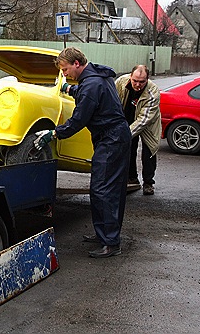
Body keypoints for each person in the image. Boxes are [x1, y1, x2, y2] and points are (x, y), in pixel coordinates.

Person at [33, 47, 131, 258]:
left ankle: (111, 243)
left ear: (76, 63)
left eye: (66, 69)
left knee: (103, 190)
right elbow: (86, 92)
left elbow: (79, 119)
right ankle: (104, 234)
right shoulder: (95, 77)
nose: (65, 74)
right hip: (113, 137)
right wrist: (68, 89)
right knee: (105, 188)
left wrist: (55, 133)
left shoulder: (92, 84)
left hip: (111, 139)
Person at [115, 65, 162, 196]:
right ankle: (132, 177)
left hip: (148, 123)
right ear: (130, 76)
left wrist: (124, 135)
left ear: (147, 79)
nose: (137, 84)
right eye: (135, 80)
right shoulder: (121, 82)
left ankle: (148, 182)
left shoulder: (153, 92)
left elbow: (143, 120)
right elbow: (113, 102)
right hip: (127, 118)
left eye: (142, 82)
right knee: (129, 149)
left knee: (150, 151)